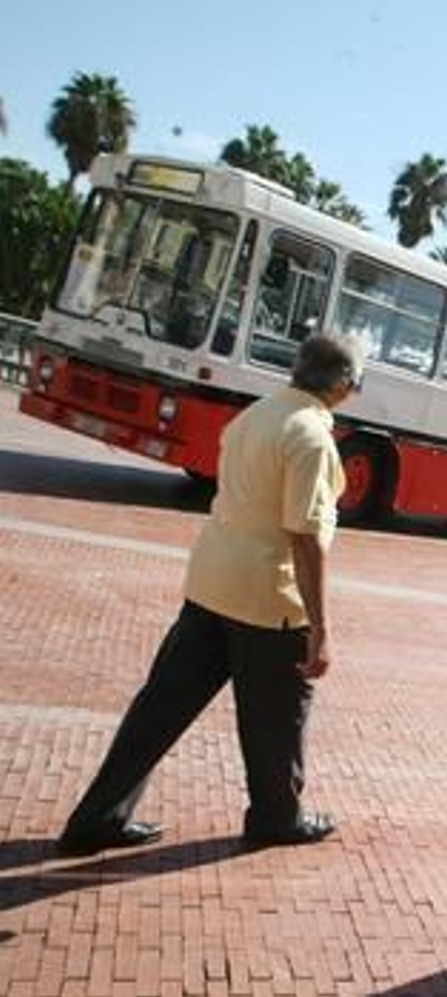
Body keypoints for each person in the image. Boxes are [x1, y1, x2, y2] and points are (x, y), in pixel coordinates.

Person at [57, 333, 363, 855]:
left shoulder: (254, 416)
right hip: (269, 601)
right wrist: (321, 629)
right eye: (357, 379)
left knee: (158, 710)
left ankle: (98, 817)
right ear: (341, 384)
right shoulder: (310, 436)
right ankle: (275, 818)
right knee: (275, 722)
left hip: (210, 586)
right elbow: (306, 537)